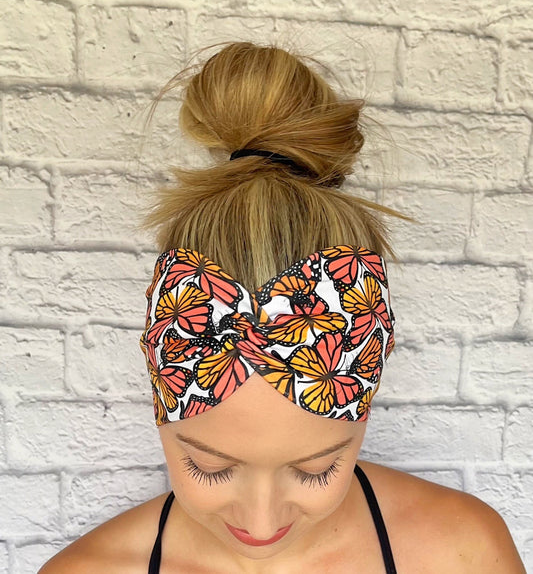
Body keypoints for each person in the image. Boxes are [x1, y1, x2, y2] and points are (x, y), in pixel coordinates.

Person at [39, 41, 525, 574]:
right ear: (158, 407)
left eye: (318, 469)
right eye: (208, 467)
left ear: (365, 411)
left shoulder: (461, 554)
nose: (263, 523)